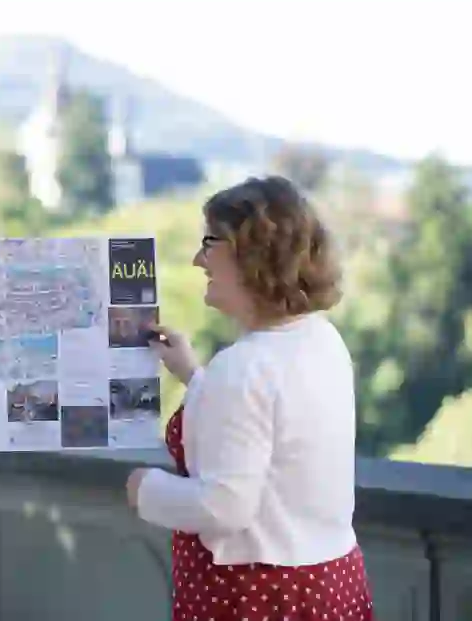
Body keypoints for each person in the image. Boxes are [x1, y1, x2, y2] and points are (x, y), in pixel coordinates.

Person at [125, 175, 375, 620]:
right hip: (330, 585)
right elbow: (267, 426)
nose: (198, 259)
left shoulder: (242, 368)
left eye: (210, 242)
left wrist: (146, 489)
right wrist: (192, 374)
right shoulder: (322, 340)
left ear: (251, 253)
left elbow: (224, 507)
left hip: (257, 597)